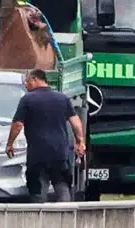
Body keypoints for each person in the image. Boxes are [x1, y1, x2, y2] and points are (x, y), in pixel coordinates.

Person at [5, 68, 85, 202]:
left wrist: (10, 144)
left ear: (36, 79)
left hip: (37, 154)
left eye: (27, 81)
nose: (26, 84)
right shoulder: (62, 98)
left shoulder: (27, 99)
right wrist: (80, 141)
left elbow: (18, 124)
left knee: (38, 190)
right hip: (60, 153)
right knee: (62, 186)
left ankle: (40, 219)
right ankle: (65, 217)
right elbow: (75, 121)